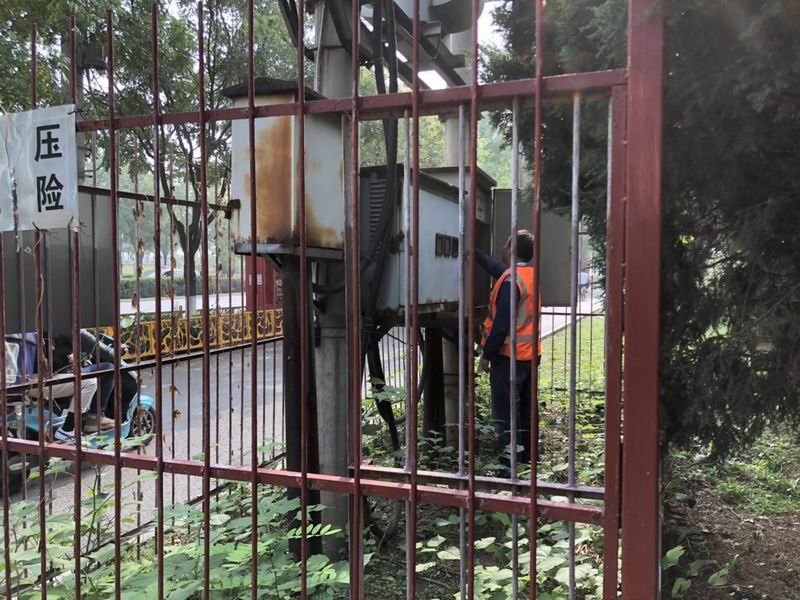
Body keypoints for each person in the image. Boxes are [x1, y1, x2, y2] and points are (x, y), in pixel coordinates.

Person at [477, 230, 542, 473]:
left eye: (506, 245)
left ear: (511, 249)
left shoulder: (510, 282)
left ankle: (508, 470)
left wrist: (486, 356)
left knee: (505, 415)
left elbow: (501, 324)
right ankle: (528, 463)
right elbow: (496, 267)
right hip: (529, 357)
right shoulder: (528, 276)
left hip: (508, 359)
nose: (503, 249)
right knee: (525, 412)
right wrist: (474, 253)